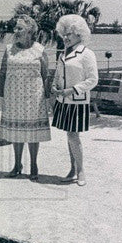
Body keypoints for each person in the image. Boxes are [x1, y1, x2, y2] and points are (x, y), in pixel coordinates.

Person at [0, 14, 51, 180]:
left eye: (19, 28)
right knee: (16, 131)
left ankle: (34, 164)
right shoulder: (9, 49)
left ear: (30, 31)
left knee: (33, 131)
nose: (16, 31)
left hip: (34, 97)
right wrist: (0, 97)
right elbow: (2, 73)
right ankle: (17, 164)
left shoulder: (40, 50)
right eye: (15, 28)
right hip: (13, 96)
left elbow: (46, 76)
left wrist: (48, 99)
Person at [51, 14, 98, 185]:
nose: (65, 37)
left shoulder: (86, 54)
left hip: (77, 102)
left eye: (69, 34)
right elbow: (58, 74)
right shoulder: (63, 53)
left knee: (73, 135)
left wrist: (72, 90)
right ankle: (73, 169)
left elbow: (93, 80)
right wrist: (55, 87)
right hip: (63, 101)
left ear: (80, 34)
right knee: (69, 135)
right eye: (64, 34)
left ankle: (81, 171)